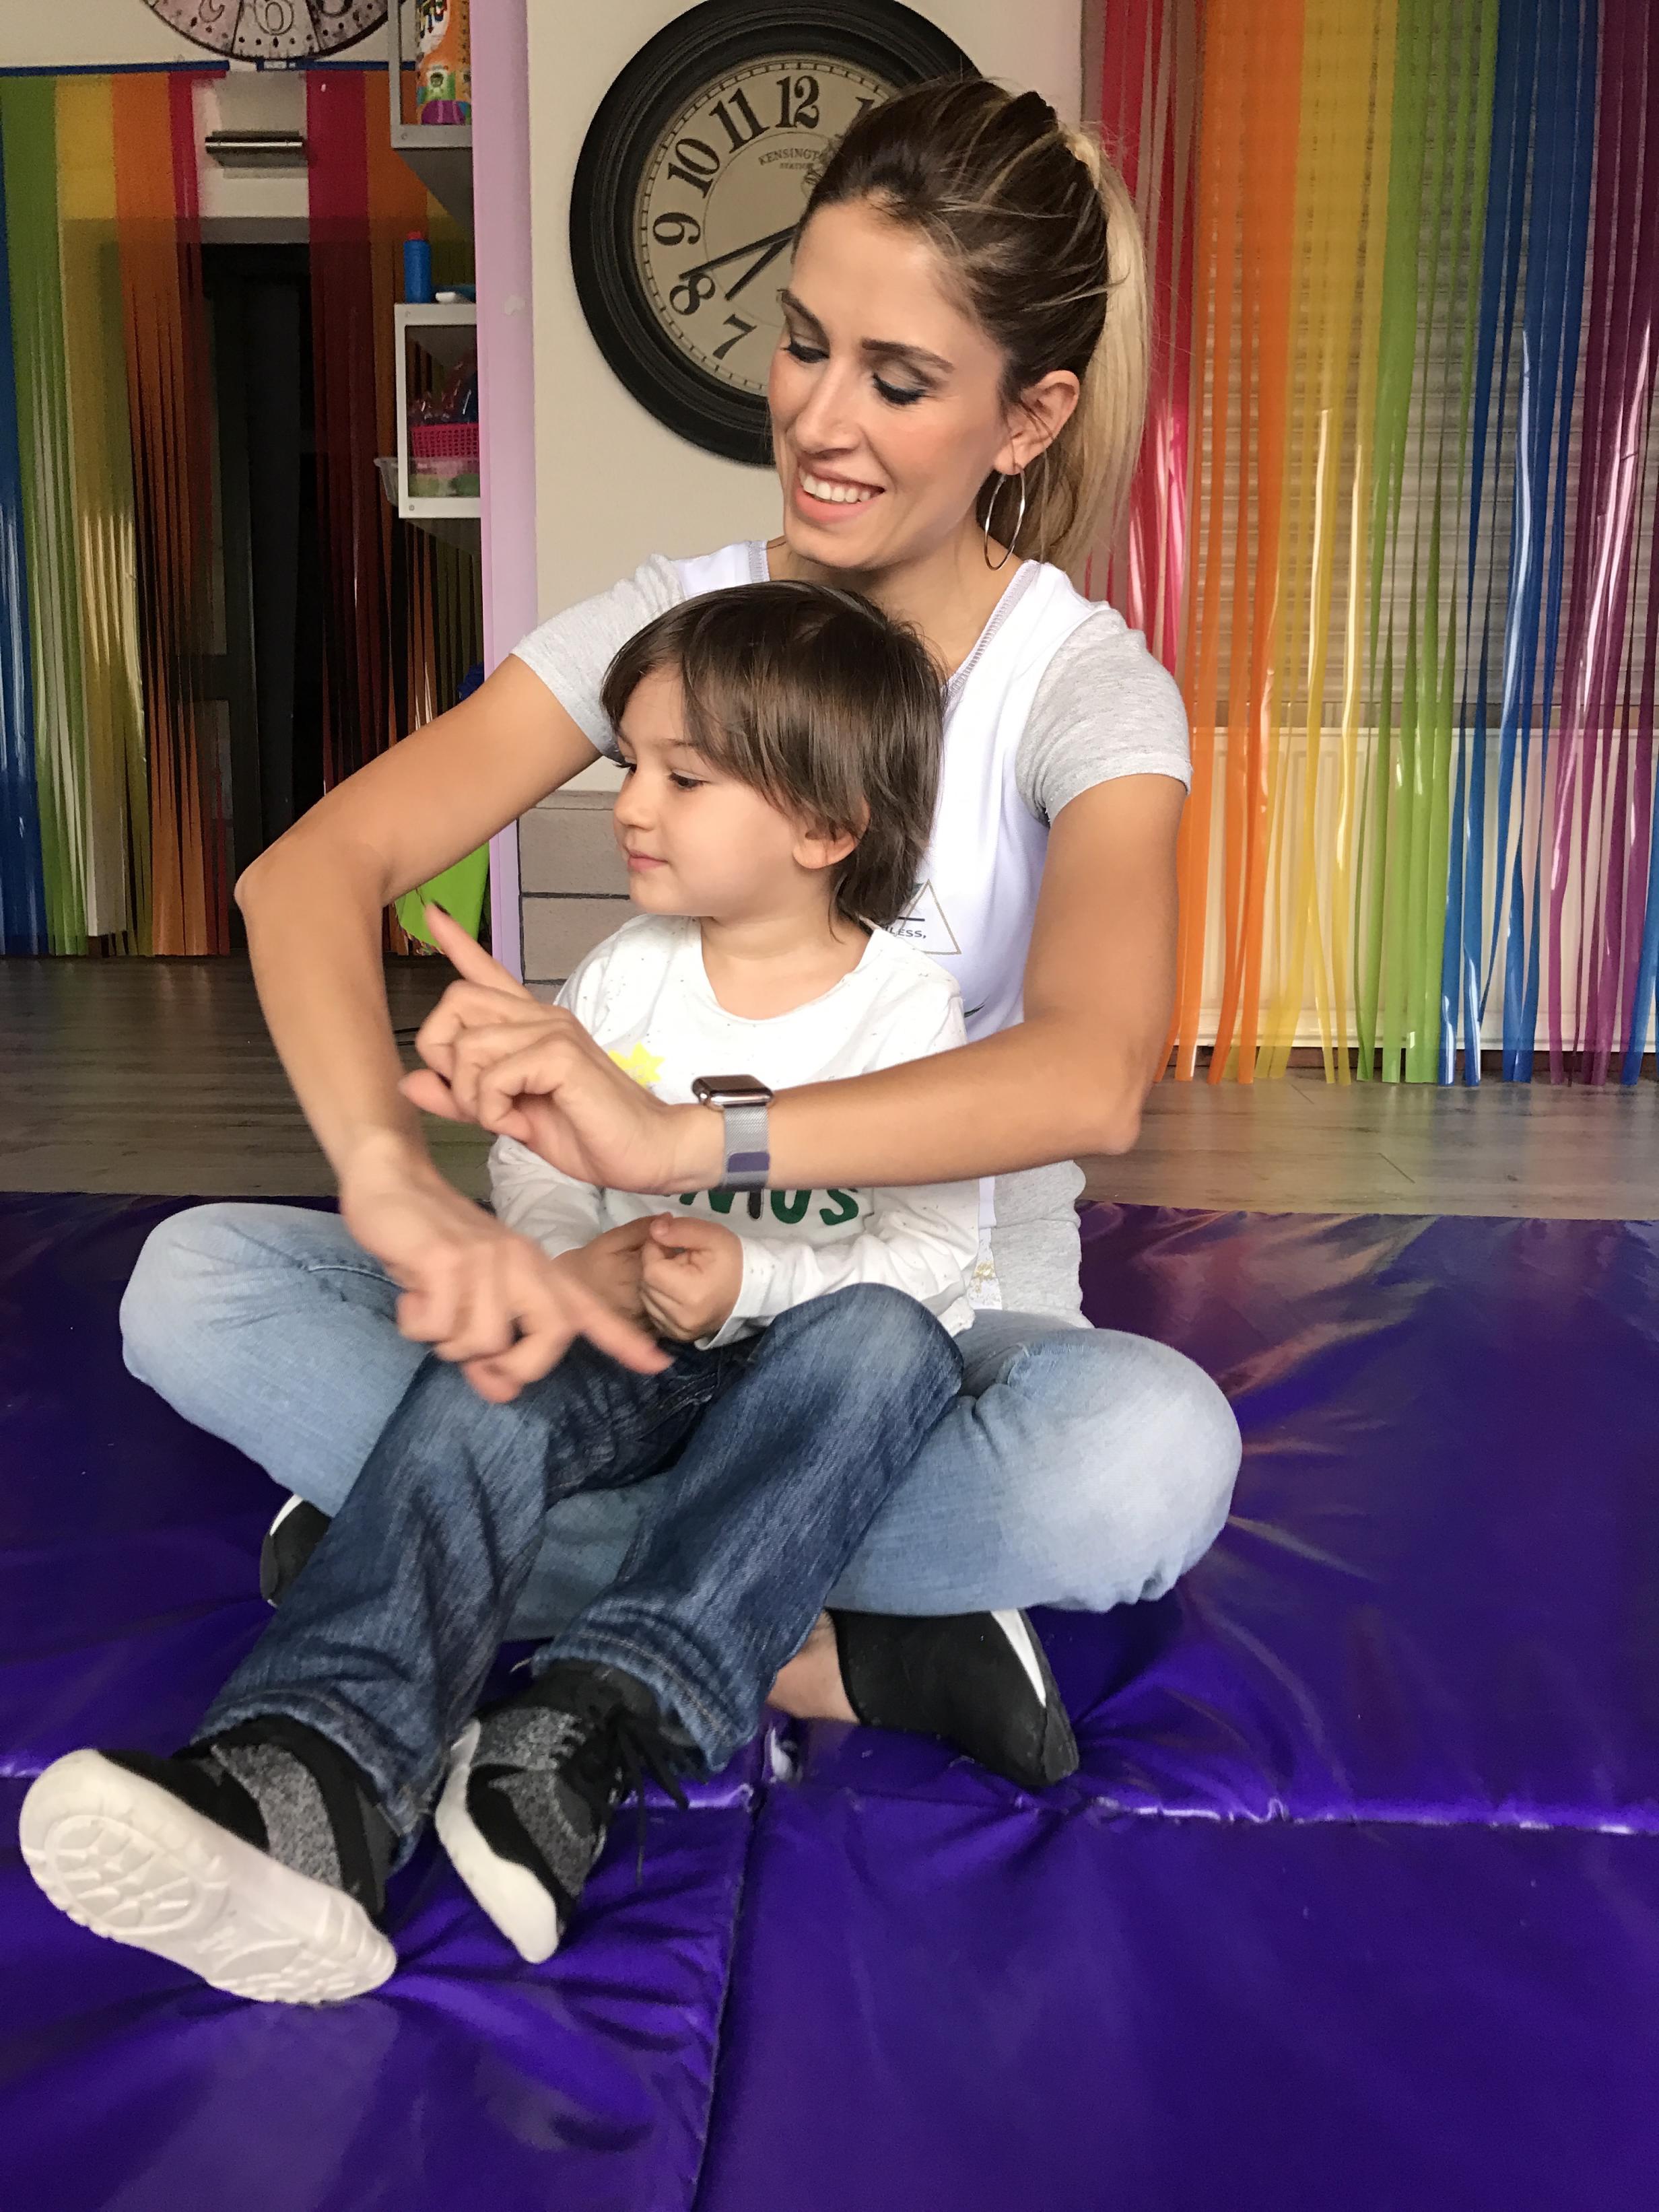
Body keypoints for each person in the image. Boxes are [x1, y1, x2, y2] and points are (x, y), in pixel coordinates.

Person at [116, 77, 1241, 1763]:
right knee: (192, 1282)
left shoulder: (1083, 687)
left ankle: (436, 1533)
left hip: (915, 1329)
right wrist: (386, 1181)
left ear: (1028, 416)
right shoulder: (680, 619)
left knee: (1145, 1457)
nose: (819, 420)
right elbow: (308, 872)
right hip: (621, 1310)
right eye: (801, 344)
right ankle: (811, 1619)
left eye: (898, 380)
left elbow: (1089, 1072)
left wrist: (682, 1140)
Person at [21, 582, 1053, 2005]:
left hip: (810, 1375)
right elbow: (541, 1161)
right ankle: (312, 1775)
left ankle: (581, 1715)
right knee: (494, 1353)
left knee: (891, 1343)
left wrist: (753, 1273)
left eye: (683, 776)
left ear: (825, 829)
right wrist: (571, 1263)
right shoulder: (624, 974)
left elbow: (934, 1252)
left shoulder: (904, 1009)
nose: (628, 803)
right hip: (627, 1348)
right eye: (629, 763)